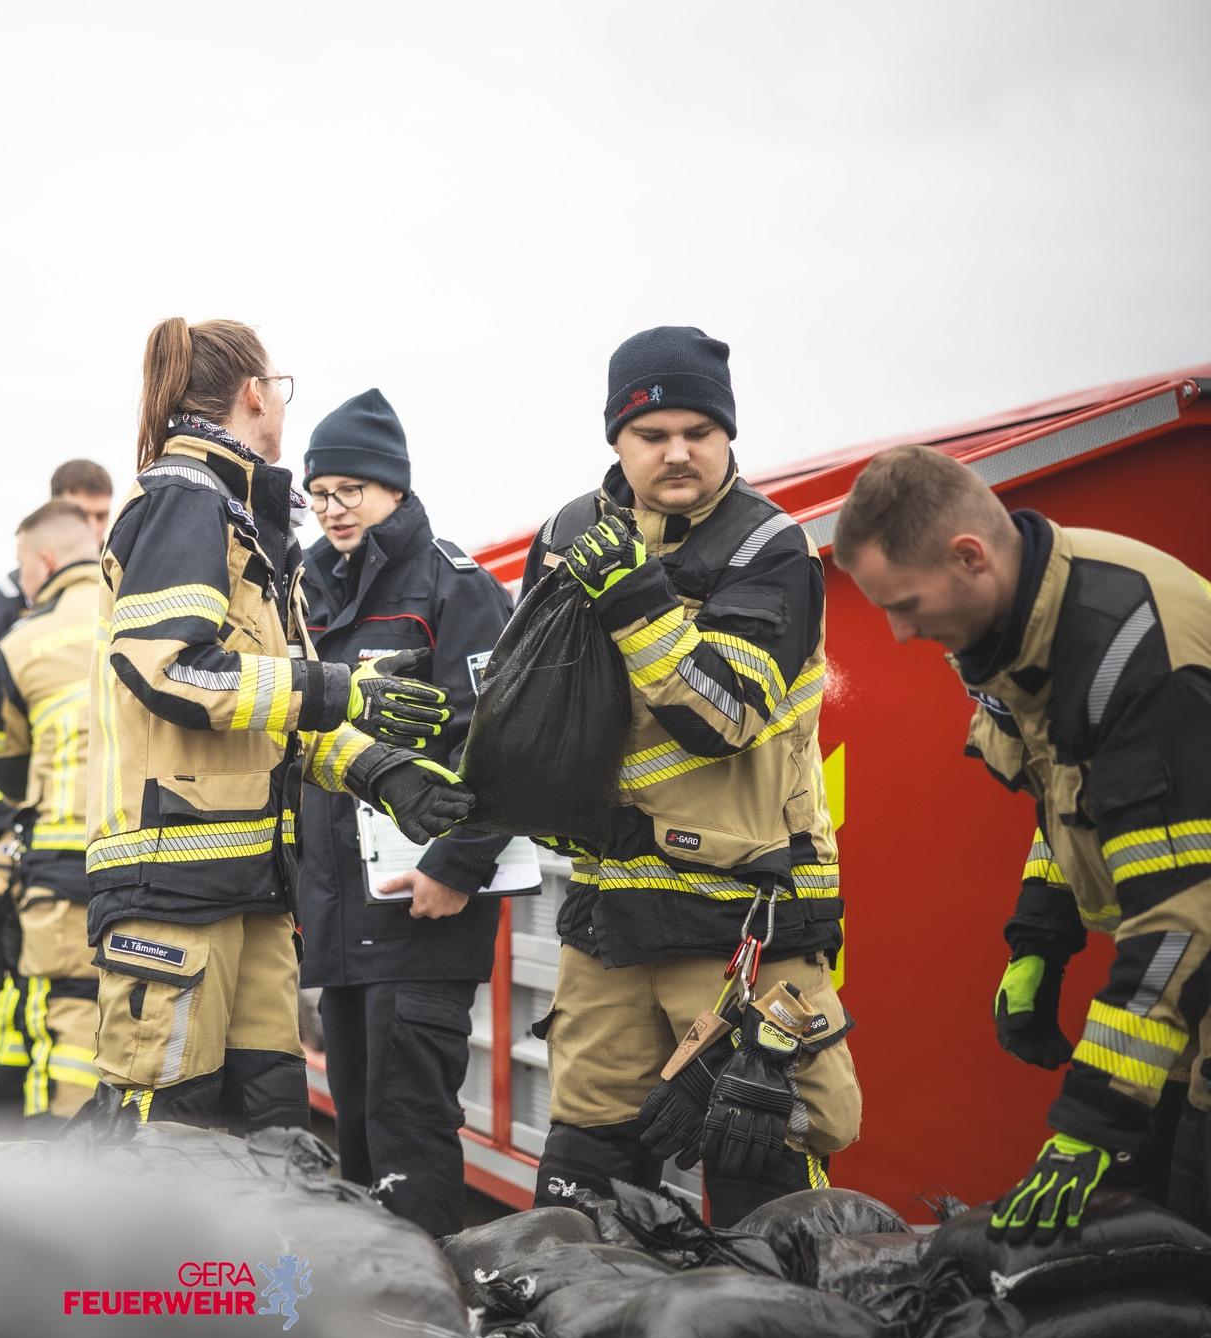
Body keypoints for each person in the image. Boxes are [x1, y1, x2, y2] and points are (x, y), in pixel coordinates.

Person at [86, 317, 472, 1131]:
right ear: (257, 394)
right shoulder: (182, 504)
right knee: (165, 1151)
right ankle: (162, 1273)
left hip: (250, 898)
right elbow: (168, 667)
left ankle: (240, 1274)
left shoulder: (240, 522)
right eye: (280, 389)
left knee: (271, 1142)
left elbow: (264, 711)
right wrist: (336, 688)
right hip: (173, 895)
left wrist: (377, 770)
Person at [834, 444, 1211, 1244]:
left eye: (903, 602)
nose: (899, 632)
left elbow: (1183, 914)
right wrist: (1042, 934)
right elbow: (1073, 809)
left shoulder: (1136, 650)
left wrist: (1092, 1122)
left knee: (1187, 1246)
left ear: (968, 556)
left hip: (1190, 958)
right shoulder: (1016, 636)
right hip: (1185, 988)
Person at [527, 326, 860, 1227]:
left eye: (698, 431)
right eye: (651, 432)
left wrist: (634, 598)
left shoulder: (771, 549)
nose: (677, 452)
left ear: (727, 437)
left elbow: (724, 717)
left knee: (766, 1177)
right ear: (616, 441)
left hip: (741, 929)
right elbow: (529, 718)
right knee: (582, 1182)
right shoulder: (564, 536)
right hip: (607, 923)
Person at [296, 389, 516, 1236]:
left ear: (394, 487)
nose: (333, 508)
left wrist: (455, 867)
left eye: (351, 488)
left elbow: (503, 748)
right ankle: (383, 1312)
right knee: (354, 1132)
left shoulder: (456, 590)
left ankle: (428, 1320)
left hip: (421, 910)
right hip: (337, 916)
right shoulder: (305, 589)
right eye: (320, 492)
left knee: (408, 1136)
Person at [0, 459, 113, 1135]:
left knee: (67, 1010)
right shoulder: (149, 607)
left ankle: (61, 1169)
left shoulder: (22, 639)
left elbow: (4, 758)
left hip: (55, 850)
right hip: (150, 847)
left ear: (44, 560)